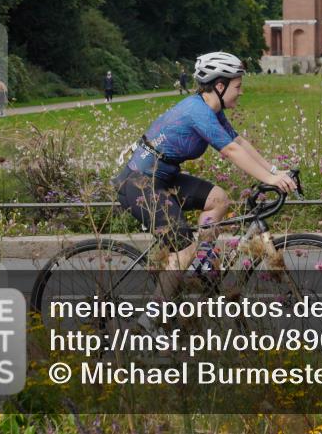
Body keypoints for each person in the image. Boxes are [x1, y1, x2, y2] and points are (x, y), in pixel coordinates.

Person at [111, 51, 298, 333]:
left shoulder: (211, 108)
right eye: (238, 86)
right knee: (184, 246)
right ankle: (148, 322)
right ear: (219, 86)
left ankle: (198, 267)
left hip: (163, 179)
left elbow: (238, 140)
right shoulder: (197, 112)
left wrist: (273, 172)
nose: (241, 92)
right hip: (138, 185)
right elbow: (231, 151)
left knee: (218, 199)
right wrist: (271, 180)